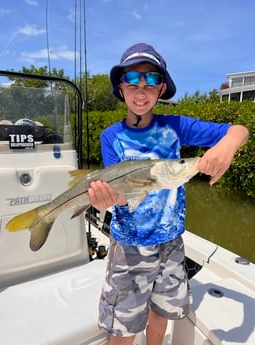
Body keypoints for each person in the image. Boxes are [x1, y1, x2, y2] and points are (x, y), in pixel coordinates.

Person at [88, 43, 249, 345]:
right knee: (122, 329)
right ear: (120, 87)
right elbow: (124, 197)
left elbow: (239, 130)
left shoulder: (177, 127)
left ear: (162, 88)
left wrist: (226, 147)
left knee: (160, 317)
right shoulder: (111, 136)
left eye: (151, 80)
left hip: (171, 245)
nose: (141, 88)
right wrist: (108, 199)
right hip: (128, 248)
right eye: (132, 78)